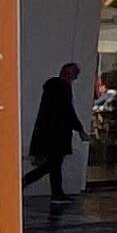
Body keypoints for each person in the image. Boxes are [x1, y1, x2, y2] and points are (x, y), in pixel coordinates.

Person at [26, 58, 84, 214]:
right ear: (68, 73)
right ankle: (22, 184)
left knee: (54, 166)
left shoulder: (53, 88)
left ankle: (57, 194)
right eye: (75, 73)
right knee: (51, 165)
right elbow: (66, 111)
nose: (76, 77)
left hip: (49, 133)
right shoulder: (62, 88)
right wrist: (79, 128)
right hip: (56, 134)